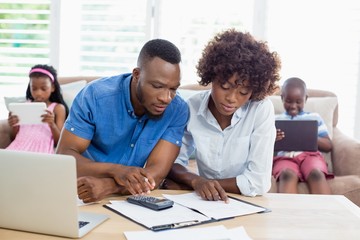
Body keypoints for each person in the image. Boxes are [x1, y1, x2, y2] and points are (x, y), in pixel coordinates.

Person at [56, 39, 189, 203]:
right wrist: (116, 170)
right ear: (137, 74)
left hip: (128, 196)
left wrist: (109, 186)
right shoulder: (95, 96)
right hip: (80, 191)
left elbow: (157, 172)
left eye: (173, 89)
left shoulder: (177, 109)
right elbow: (65, 157)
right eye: (157, 86)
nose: (166, 98)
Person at [162, 29, 281, 202]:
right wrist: (197, 181)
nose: (231, 98)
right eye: (224, 86)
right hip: (206, 201)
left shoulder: (261, 109)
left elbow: (258, 182)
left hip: (248, 202)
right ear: (211, 76)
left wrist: (201, 184)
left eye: (243, 92)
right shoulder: (192, 107)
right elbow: (173, 161)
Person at [272, 77, 333, 194]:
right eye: (289, 101)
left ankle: (324, 210)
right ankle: (289, 212)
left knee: (316, 173)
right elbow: (263, 145)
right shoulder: (275, 119)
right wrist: (273, 139)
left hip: (311, 156)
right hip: (285, 157)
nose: (293, 106)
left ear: (305, 99)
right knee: (286, 175)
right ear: (282, 98)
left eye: (298, 101)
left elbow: (328, 145)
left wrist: (310, 136)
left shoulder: (315, 117)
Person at [6, 64, 69, 153]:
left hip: (42, 148)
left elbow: (60, 141)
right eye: (34, 88)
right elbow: (14, 137)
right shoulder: (24, 106)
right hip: (18, 146)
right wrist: (14, 125)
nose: (38, 93)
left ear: (53, 87)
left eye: (43, 88)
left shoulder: (58, 108)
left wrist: (52, 124)